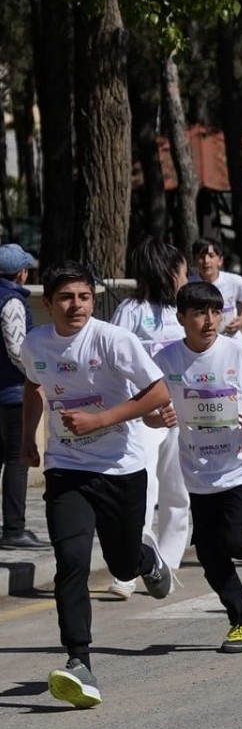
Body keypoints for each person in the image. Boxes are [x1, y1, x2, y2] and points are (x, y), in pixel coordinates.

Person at [23, 263, 175, 706]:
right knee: (70, 562)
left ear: (93, 300)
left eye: (84, 297)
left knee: (122, 564)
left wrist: (100, 420)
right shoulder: (35, 343)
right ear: (48, 303)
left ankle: (144, 557)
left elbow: (159, 392)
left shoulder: (113, 340)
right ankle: (79, 660)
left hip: (120, 468)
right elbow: (35, 386)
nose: (76, 305)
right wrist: (27, 440)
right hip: (66, 467)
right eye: (67, 297)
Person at [148, 281, 242, 654]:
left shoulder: (237, 351)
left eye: (215, 312)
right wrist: (160, 419)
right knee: (209, 553)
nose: (209, 321)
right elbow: (148, 411)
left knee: (236, 540)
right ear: (182, 318)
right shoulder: (167, 360)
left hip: (239, 461)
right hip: (196, 467)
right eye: (199, 314)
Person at [112, 238, 195, 592]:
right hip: (141, 414)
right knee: (142, 487)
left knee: (178, 489)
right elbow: (114, 359)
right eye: (182, 271)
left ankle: (167, 562)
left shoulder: (186, 310)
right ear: (165, 270)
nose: (186, 277)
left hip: (180, 411)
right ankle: (130, 568)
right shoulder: (131, 311)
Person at [0, 242, 41, 548]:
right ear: (21, 273)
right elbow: (17, 348)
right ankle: (14, 529)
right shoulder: (12, 301)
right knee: (17, 460)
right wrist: (35, 375)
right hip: (13, 393)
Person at [191, 239, 242, 336]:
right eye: (201, 257)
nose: (206, 261)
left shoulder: (234, 281)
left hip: (230, 337)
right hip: (201, 339)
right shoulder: (189, 284)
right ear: (195, 260)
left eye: (211, 256)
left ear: (220, 260)